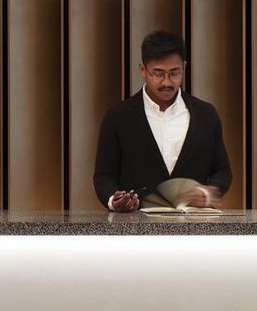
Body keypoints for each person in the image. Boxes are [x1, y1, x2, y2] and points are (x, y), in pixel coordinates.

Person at [93, 30, 232, 212]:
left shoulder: (206, 114)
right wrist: (114, 200)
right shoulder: (117, 116)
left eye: (175, 73)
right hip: (135, 229)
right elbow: (104, 176)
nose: (167, 82)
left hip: (194, 229)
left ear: (184, 67)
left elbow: (222, 171)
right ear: (143, 70)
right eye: (158, 73)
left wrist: (206, 194)